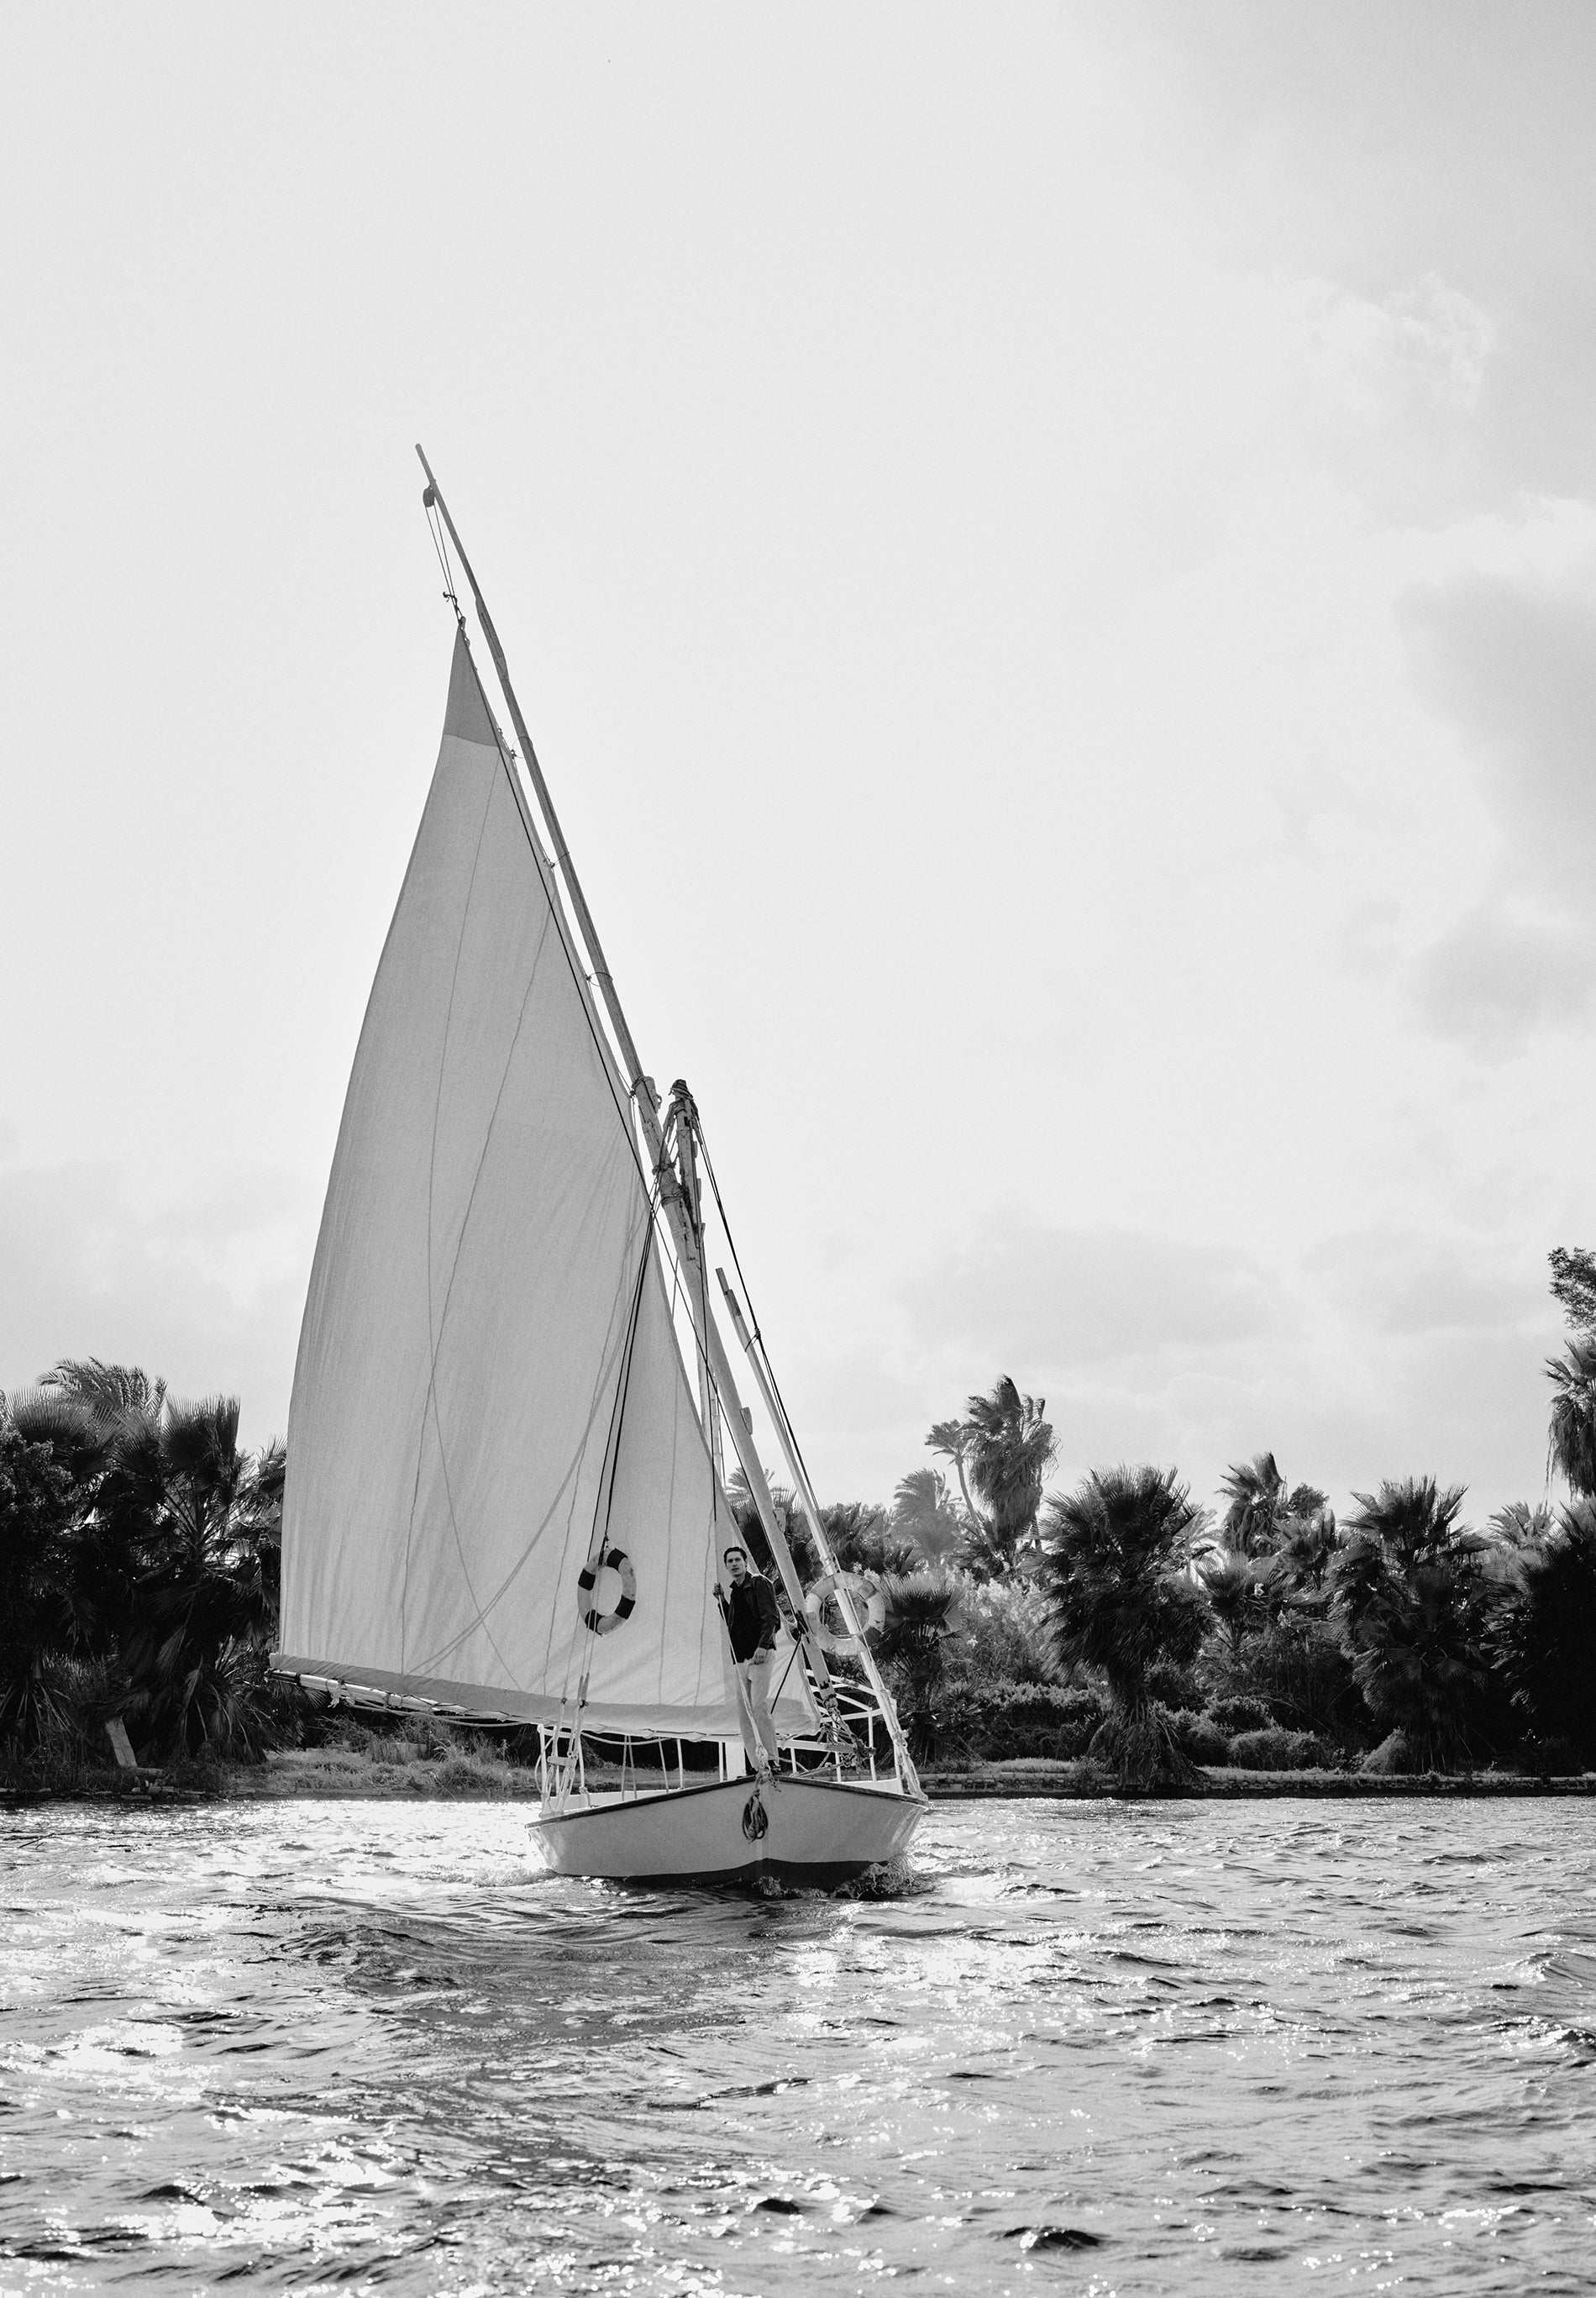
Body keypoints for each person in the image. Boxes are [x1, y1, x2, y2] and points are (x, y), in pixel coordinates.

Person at [712, 1543, 783, 1775]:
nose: (734, 1564)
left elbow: (771, 1617)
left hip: (758, 1655)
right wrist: (721, 1600)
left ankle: (772, 1760)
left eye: (737, 1560)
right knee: (744, 1713)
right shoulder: (735, 1591)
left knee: (758, 1706)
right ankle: (757, 1764)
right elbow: (734, 1623)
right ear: (726, 1566)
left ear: (745, 1563)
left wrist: (763, 1646)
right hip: (740, 1658)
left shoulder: (760, 1583)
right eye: (730, 1562)